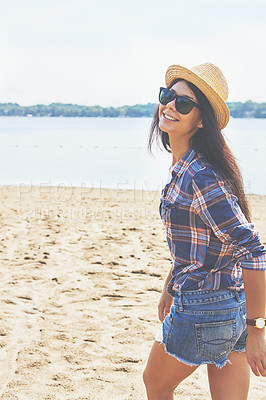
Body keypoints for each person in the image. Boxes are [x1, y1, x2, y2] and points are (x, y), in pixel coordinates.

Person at [142, 62, 266, 400]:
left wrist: (258, 327)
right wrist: (169, 286)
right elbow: (201, 243)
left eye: (183, 103)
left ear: (201, 120)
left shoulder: (199, 176)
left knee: (156, 384)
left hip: (203, 309)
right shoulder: (192, 168)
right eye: (167, 96)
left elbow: (253, 249)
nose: (169, 105)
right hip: (231, 306)